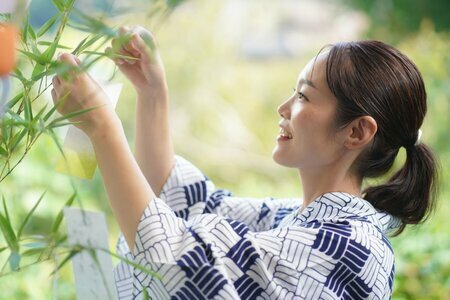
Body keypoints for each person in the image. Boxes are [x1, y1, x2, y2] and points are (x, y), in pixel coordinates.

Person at [51, 26, 438, 299]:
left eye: (304, 96)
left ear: (356, 132)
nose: (283, 108)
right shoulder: (291, 219)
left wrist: (103, 127)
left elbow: (180, 262)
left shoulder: (354, 249)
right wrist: (152, 93)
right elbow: (176, 200)